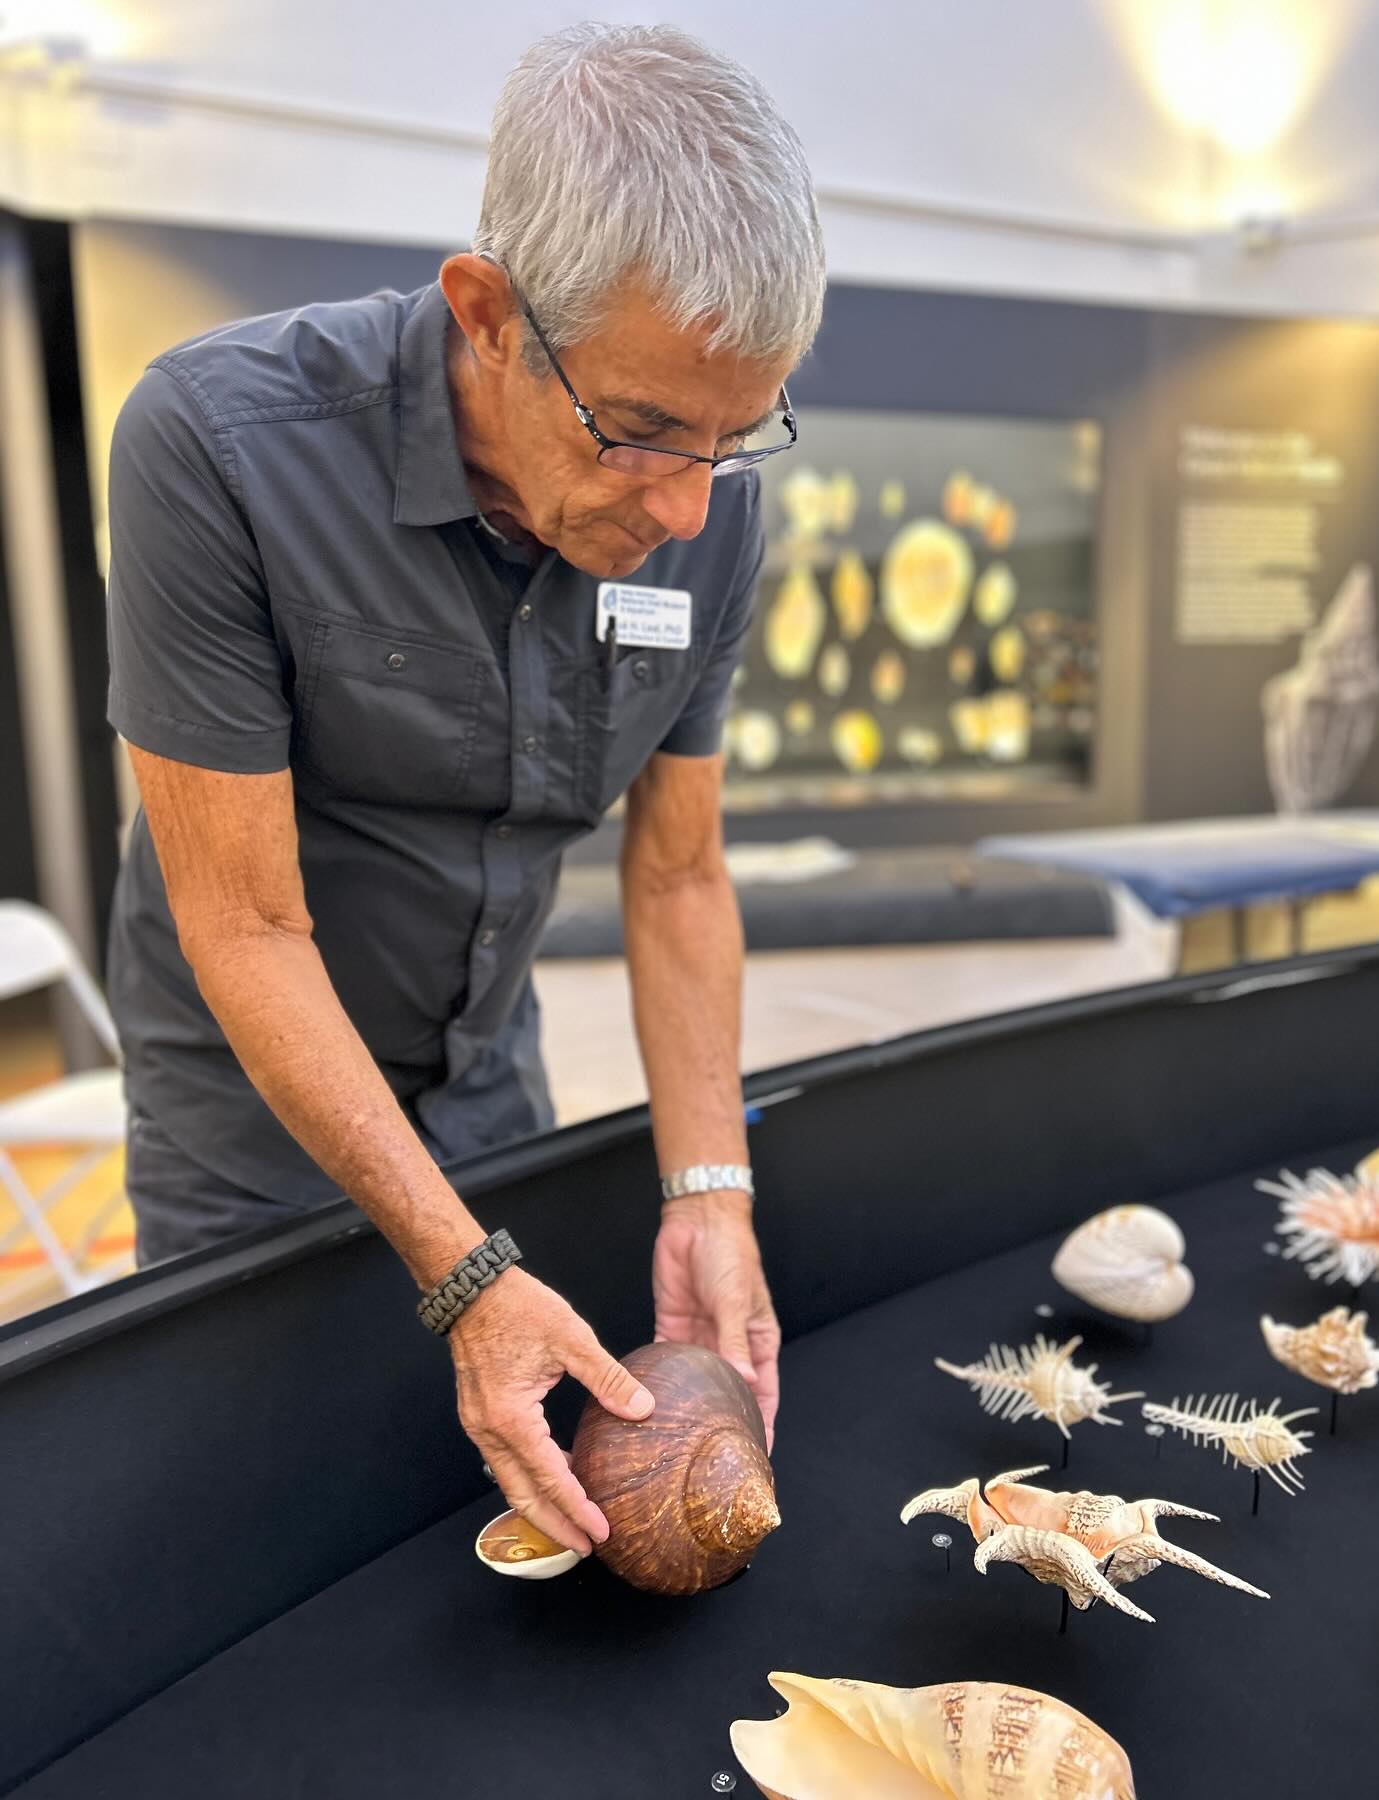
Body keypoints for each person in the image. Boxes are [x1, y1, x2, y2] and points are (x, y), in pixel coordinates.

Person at [103, 23, 826, 1558]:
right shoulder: (218, 447)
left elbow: (678, 875)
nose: (687, 508)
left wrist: (711, 1189)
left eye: (733, 436)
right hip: (246, 1132)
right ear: (487, 314)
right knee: (261, 1530)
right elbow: (244, 924)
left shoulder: (711, 516)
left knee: (474, 1509)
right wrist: (462, 1270)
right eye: (640, 432)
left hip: (491, 1085)